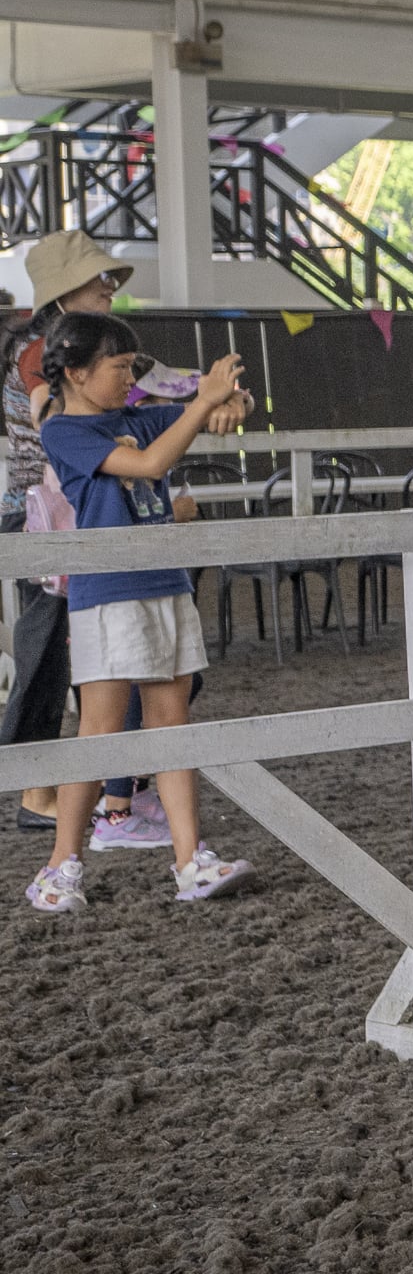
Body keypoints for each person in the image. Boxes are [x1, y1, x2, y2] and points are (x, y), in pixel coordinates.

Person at [25, 313, 252, 911]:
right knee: (99, 731)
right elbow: (151, 465)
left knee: (170, 722)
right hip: (108, 590)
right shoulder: (64, 433)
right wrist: (205, 404)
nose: (130, 379)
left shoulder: (135, 417)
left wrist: (231, 400)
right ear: (75, 372)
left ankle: (189, 860)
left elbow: (200, 414)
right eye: (119, 368)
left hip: (164, 581)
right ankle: (60, 865)